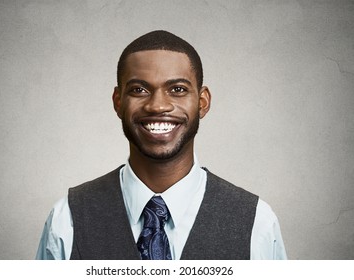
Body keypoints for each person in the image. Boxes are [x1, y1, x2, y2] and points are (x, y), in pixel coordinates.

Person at [36, 30, 287, 260]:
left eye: (177, 89)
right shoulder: (67, 220)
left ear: (202, 103)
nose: (157, 106)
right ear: (118, 102)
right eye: (139, 89)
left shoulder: (257, 224)